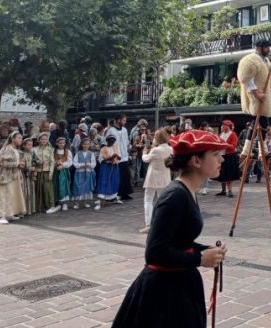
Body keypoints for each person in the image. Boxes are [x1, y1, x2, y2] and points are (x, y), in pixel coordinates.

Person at [112, 130, 229, 328]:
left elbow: (178, 240)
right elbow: (155, 253)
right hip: (163, 293)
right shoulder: (175, 196)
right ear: (196, 161)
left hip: (179, 284)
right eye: (216, 155)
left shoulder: (188, 191)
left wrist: (205, 250)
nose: (221, 160)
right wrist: (200, 258)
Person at [237, 39, 271, 156]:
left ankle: (252, 150)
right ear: (259, 48)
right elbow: (246, 79)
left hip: (264, 97)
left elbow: (268, 81)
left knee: (260, 123)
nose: (269, 50)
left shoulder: (266, 62)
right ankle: (259, 150)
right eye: (266, 47)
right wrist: (256, 93)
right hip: (256, 98)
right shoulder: (250, 60)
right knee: (261, 122)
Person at [140, 128, 173, 233]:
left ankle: (149, 224)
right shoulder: (170, 149)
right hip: (164, 177)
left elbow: (146, 159)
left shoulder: (156, 150)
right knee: (162, 201)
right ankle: (164, 223)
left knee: (148, 200)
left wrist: (144, 152)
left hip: (153, 177)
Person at [0, 131, 26, 224]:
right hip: (4, 177)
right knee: (4, 195)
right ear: (13, 139)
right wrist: (17, 164)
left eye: (21, 138)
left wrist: (20, 164)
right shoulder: (7, 148)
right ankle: (2, 216)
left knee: (11, 195)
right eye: (19, 138)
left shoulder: (14, 149)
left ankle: (10, 214)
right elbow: (2, 162)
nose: (20, 140)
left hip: (13, 176)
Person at [105, 114, 132, 200]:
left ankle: (125, 193)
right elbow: (107, 143)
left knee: (125, 176)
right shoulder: (111, 130)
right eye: (124, 120)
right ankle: (116, 194)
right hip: (116, 156)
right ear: (118, 120)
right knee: (116, 176)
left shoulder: (124, 130)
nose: (125, 122)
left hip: (124, 155)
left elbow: (126, 141)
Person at [215, 120, 240, 197]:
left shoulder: (233, 134)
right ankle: (223, 190)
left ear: (228, 126)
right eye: (223, 125)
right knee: (222, 174)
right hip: (221, 155)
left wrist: (225, 144)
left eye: (224, 125)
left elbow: (233, 146)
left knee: (229, 174)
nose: (223, 126)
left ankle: (230, 190)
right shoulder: (221, 134)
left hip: (229, 156)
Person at [34, 132, 57, 214]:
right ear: (38, 140)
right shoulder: (34, 149)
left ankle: (51, 206)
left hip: (47, 172)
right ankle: (39, 207)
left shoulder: (50, 149)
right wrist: (37, 162)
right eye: (42, 139)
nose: (44, 140)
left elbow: (52, 162)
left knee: (48, 189)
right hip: (38, 172)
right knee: (38, 189)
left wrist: (51, 173)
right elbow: (32, 160)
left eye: (46, 139)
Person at [72, 138, 97, 210]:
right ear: (82, 145)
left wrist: (89, 165)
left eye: (87, 144)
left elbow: (94, 163)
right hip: (79, 173)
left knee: (87, 187)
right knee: (78, 187)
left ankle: (86, 202)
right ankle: (77, 203)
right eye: (84, 144)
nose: (86, 145)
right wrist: (82, 165)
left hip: (88, 172)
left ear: (89, 145)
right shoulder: (78, 153)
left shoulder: (91, 153)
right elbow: (75, 163)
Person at [98, 135, 121, 206]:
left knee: (114, 181)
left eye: (113, 140)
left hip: (114, 166)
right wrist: (110, 158)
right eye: (110, 140)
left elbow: (120, 157)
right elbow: (100, 159)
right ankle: (103, 199)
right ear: (107, 141)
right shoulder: (103, 149)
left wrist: (117, 157)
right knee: (105, 181)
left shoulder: (116, 147)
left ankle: (113, 197)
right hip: (106, 167)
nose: (112, 141)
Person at [53, 137, 73, 211]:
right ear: (56, 143)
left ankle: (64, 203)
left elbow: (70, 162)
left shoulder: (68, 151)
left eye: (63, 143)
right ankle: (58, 202)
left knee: (64, 186)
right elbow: (51, 160)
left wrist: (63, 165)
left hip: (64, 171)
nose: (61, 144)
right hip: (56, 171)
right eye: (60, 143)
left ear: (65, 144)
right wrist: (56, 164)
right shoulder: (54, 151)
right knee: (56, 186)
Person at [20, 137, 39, 215]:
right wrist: (28, 169)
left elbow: (36, 161)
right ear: (24, 145)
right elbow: (21, 165)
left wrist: (36, 166)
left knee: (31, 192)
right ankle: (23, 210)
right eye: (28, 145)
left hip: (31, 175)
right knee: (24, 192)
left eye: (31, 145)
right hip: (24, 175)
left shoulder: (32, 153)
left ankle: (31, 209)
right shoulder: (21, 153)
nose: (30, 146)